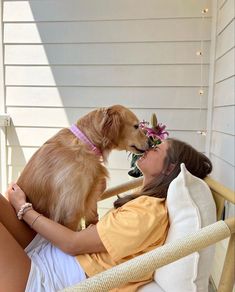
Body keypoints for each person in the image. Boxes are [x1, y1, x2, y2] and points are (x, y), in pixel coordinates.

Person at [0, 138, 212, 292]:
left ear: (170, 168)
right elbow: (103, 248)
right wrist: (91, 206)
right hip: (49, 255)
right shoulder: (144, 201)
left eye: (157, 148)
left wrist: (24, 209)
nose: (149, 146)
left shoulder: (148, 213)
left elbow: (73, 244)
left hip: (47, 280)